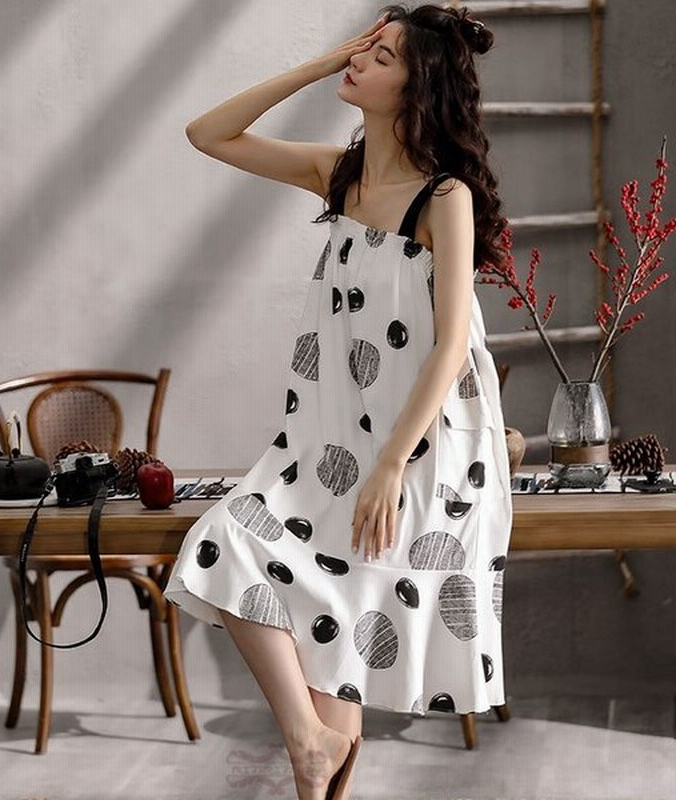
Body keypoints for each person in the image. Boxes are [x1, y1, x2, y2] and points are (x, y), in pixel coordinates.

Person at [163, 4, 512, 798]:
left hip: (422, 446)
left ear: (417, 87)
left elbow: (451, 343)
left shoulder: (445, 198)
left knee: (335, 637)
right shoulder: (340, 175)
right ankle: (310, 743)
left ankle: (311, 747)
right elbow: (207, 133)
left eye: (381, 57)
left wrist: (391, 464)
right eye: (363, 49)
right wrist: (323, 64)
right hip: (332, 442)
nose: (360, 60)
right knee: (234, 547)